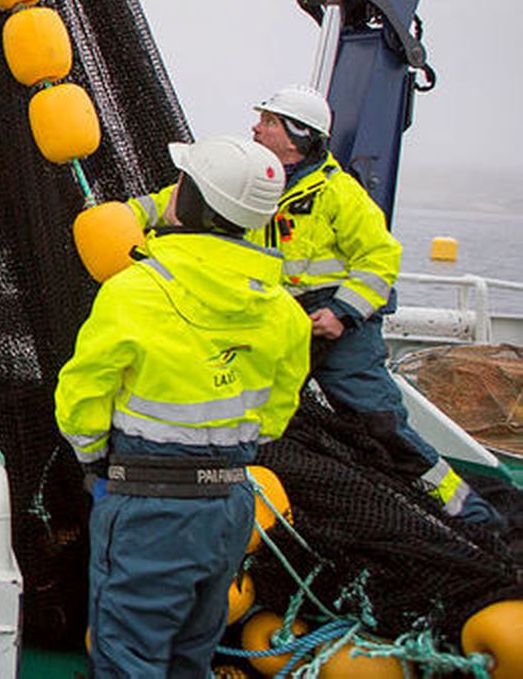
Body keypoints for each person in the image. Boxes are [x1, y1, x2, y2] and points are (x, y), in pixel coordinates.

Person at [129, 85, 499, 526]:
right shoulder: (251, 176)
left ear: (299, 135)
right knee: (256, 416)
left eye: (268, 121)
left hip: (340, 329)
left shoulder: (337, 193)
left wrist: (343, 313)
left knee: (378, 422)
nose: (255, 126)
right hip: (278, 323)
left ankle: (466, 512)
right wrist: (121, 218)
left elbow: (380, 259)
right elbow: (177, 201)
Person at [57, 135, 312, 677]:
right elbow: (276, 411)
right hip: (229, 507)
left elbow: (81, 394)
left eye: (182, 185)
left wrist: (93, 459)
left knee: (129, 654)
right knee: (192, 652)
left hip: (148, 506)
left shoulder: (136, 292)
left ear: (193, 201)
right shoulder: (283, 310)